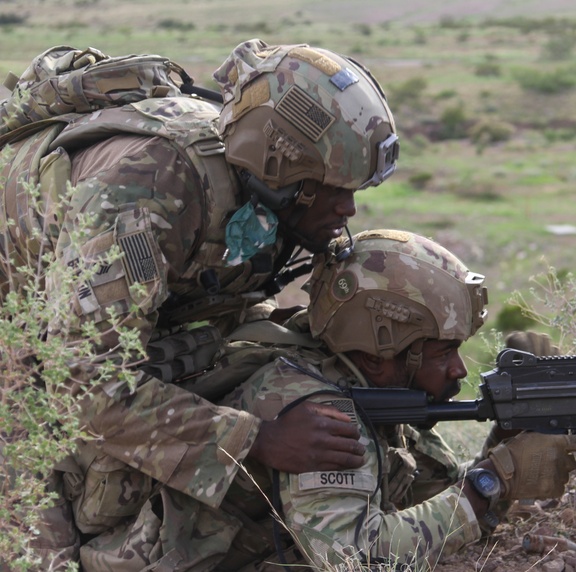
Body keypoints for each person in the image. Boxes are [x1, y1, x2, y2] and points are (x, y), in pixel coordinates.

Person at [0, 39, 398, 565]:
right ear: (280, 169)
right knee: (41, 558)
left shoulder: (256, 184)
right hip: (24, 341)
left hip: (72, 325)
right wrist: (253, 440)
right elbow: (86, 383)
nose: (347, 208)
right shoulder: (143, 194)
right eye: (331, 189)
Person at [206, 229, 576, 570]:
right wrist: (491, 481)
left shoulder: (371, 388)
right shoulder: (318, 409)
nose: (459, 370)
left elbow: (439, 509)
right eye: (441, 354)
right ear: (376, 354)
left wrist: (507, 439)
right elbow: (357, 559)